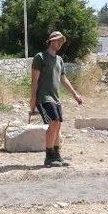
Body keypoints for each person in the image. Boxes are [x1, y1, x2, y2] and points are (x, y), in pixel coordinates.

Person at [30, 31, 83, 167]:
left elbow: (63, 79)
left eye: (61, 41)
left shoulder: (59, 59)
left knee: (58, 125)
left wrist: (75, 94)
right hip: (44, 97)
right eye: (58, 41)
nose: (60, 43)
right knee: (53, 122)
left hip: (56, 97)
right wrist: (33, 99)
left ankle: (57, 155)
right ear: (51, 41)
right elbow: (34, 80)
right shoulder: (40, 57)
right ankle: (49, 157)